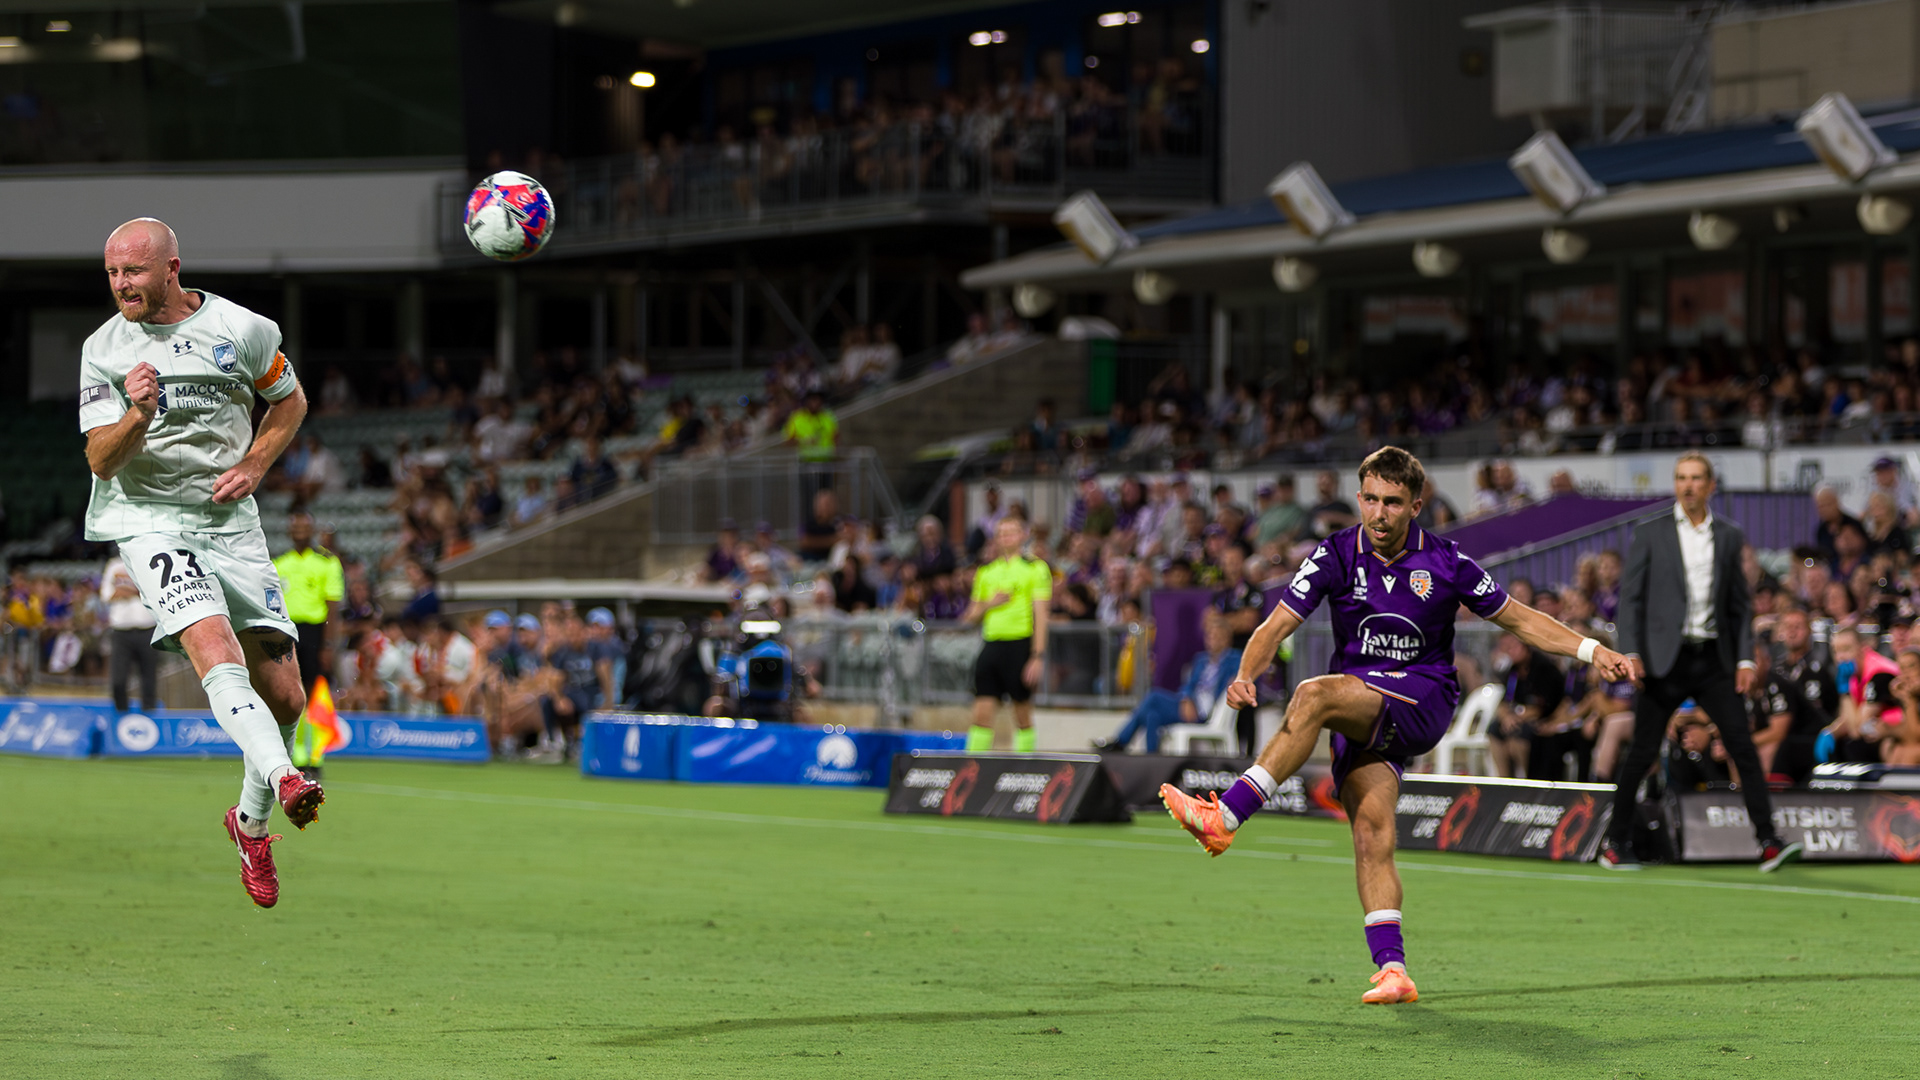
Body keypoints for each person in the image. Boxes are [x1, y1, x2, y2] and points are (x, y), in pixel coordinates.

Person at [1159, 447, 1632, 1005]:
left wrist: (1590, 649)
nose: (1379, 513)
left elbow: (1520, 619)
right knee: (1371, 834)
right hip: (1362, 708)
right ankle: (1393, 969)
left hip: (1422, 697)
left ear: (1415, 506)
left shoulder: (1447, 561)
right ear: (1359, 498)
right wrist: (1245, 673)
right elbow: (1276, 623)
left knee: (1312, 693)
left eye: (1392, 502)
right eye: (1370, 500)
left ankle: (1227, 815)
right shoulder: (1336, 553)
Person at [78, 217, 323, 909]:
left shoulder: (243, 330)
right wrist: (136, 414)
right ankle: (285, 777)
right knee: (214, 647)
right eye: (112, 273)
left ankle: (250, 825)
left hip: (231, 524)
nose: (122, 285)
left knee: (287, 698)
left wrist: (256, 463)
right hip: (150, 522)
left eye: (133, 271)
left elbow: (289, 401)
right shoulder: (103, 349)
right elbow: (99, 459)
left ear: (171, 268)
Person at [1602, 452, 1802, 872]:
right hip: (1664, 662)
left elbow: (1739, 605)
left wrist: (1745, 658)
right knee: (1641, 753)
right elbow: (1630, 600)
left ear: (1711, 485)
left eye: (1696, 478)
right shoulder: (1650, 532)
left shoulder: (1728, 535)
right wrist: (1631, 652)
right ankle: (1614, 843)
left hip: (1714, 660)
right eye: (1681, 478)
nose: (1688, 485)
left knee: (1742, 746)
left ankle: (1768, 841)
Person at [963, 515, 1052, 753]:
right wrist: (989, 603)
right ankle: (973, 764)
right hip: (992, 643)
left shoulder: (1035, 568)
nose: (1006, 538)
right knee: (981, 714)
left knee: (1022, 713)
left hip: (1019, 644)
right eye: (1001, 533)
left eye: (1011, 532)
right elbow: (969, 617)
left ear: (1023, 535)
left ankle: (1025, 765)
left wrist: (1037, 655)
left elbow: (1041, 615)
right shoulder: (986, 572)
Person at [271, 510, 345, 779]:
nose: (300, 531)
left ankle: (316, 754)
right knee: (292, 693)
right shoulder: (279, 563)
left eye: (304, 527)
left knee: (315, 694)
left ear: (312, 530)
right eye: (296, 527)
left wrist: (329, 644)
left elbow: (332, 606)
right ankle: (298, 754)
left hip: (315, 632)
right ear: (289, 532)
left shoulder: (326, 562)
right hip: (287, 632)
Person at [1104, 609, 1238, 753]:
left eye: (1216, 636)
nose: (1211, 641)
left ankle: (1120, 742)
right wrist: (1186, 698)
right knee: (1152, 715)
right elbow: (1188, 684)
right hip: (1191, 706)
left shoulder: (1234, 659)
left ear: (1226, 639)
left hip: (1206, 712)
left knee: (1154, 696)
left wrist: (1234, 680)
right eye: (1209, 636)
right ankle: (1152, 757)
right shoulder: (1201, 660)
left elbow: (1243, 680)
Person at [101, 552, 159, 712]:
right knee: (118, 680)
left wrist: (125, 589)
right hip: (121, 631)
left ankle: (150, 715)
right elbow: (107, 595)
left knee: (149, 678)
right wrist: (136, 590)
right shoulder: (114, 565)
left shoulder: (149, 559)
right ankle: (120, 714)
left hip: (147, 628)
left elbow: (154, 592)